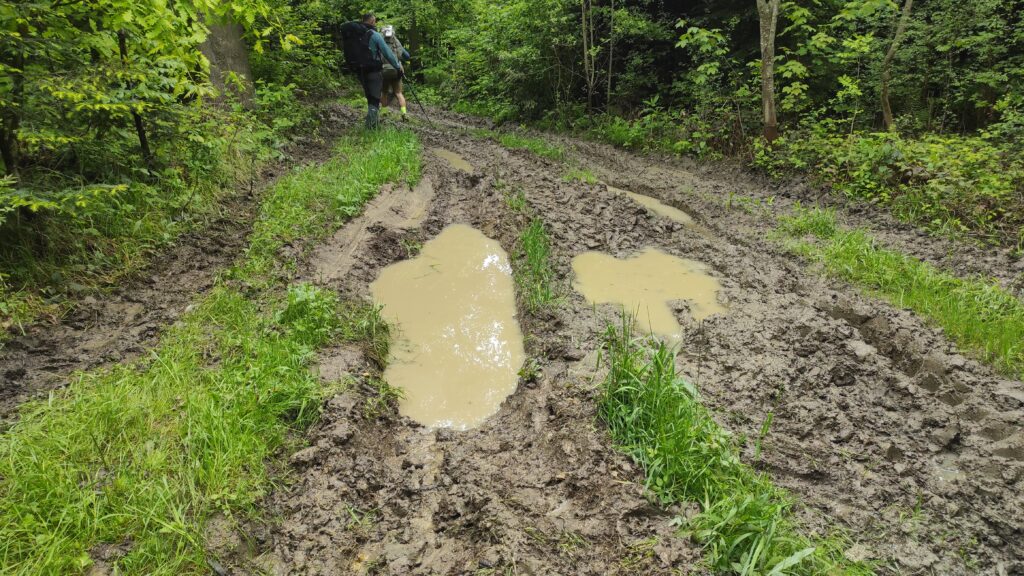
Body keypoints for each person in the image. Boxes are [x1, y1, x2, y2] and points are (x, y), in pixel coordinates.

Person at [340, 13, 404, 129]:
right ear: (372, 21)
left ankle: (373, 123)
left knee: (370, 96)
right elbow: (387, 53)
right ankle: (370, 128)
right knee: (374, 99)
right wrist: (397, 67)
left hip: (359, 70)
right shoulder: (374, 35)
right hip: (373, 70)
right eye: (375, 21)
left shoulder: (354, 35)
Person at [380, 25, 411, 117]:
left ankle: (384, 112)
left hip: (384, 71)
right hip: (396, 71)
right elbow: (407, 56)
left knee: (384, 92)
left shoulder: (380, 41)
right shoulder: (396, 42)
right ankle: (404, 113)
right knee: (398, 93)